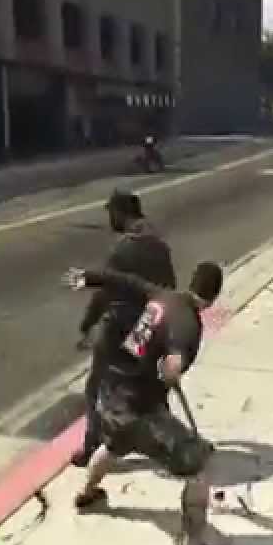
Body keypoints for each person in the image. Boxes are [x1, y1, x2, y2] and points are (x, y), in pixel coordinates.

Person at [63, 261, 230, 545]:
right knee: (201, 466)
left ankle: (87, 493)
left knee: (115, 443)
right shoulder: (189, 324)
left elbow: (125, 279)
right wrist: (172, 369)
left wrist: (88, 277)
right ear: (213, 298)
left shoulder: (162, 296)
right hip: (141, 411)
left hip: (111, 394)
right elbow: (176, 354)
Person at [73, 190, 177, 467]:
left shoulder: (124, 248)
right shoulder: (159, 243)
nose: (110, 219)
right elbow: (169, 287)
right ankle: (169, 441)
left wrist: (87, 324)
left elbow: (105, 291)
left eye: (111, 213)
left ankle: (91, 445)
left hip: (120, 325)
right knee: (149, 386)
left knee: (97, 386)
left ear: (120, 213)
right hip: (149, 325)